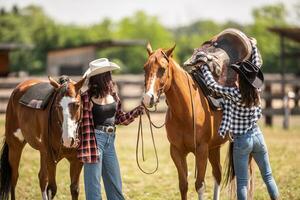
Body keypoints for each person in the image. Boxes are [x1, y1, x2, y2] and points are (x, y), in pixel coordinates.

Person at [199, 43, 279, 200]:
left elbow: (211, 85)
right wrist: (254, 47)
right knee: (268, 176)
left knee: (242, 183)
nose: (235, 76)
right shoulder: (257, 91)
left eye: (238, 75)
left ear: (240, 79)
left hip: (241, 140)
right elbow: (256, 65)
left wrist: (204, 67)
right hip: (258, 136)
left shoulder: (234, 93)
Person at [77, 58, 144, 200]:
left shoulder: (113, 95)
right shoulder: (85, 98)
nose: (110, 77)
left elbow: (120, 119)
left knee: (115, 184)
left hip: (110, 141)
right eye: (107, 74)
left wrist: (138, 110)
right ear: (102, 77)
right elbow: (77, 122)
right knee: (93, 186)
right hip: (94, 141)